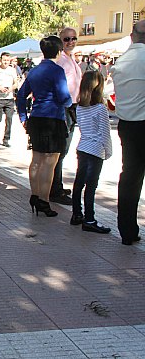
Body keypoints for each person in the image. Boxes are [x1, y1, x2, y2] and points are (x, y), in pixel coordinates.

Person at [17, 36, 72, 218]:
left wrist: (24, 116)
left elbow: (21, 95)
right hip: (53, 118)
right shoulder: (57, 71)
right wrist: (70, 101)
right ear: (58, 51)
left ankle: (35, 195)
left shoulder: (34, 71)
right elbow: (64, 96)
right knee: (50, 161)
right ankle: (44, 200)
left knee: (36, 159)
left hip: (36, 118)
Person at [113, 19, 145, 246]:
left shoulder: (122, 62)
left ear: (132, 36)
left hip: (127, 125)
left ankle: (127, 229)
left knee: (129, 177)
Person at [70, 70, 112, 234]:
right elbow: (105, 133)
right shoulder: (100, 108)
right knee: (91, 185)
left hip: (83, 146)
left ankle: (76, 214)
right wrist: (108, 151)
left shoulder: (80, 107)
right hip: (95, 150)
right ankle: (89, 218)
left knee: (79, 182)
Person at [50, 27, 81, 205]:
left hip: (73, 107)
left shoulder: (72, 59)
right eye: (67, 39)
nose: (71, 42)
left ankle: (56, 184)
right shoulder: (60, 60)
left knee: (64, 149)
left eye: (73, 38)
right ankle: (55, 188)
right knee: (60, 149)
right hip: (64, 107)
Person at [0, 52, 18, 147]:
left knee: (9, 119)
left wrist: (11, 88)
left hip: (9, 98)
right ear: (1, 60)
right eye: (4, 60)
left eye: (8, 60)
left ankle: (6, 139)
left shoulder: (12, 70)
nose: (6, 62)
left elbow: (16, 83)